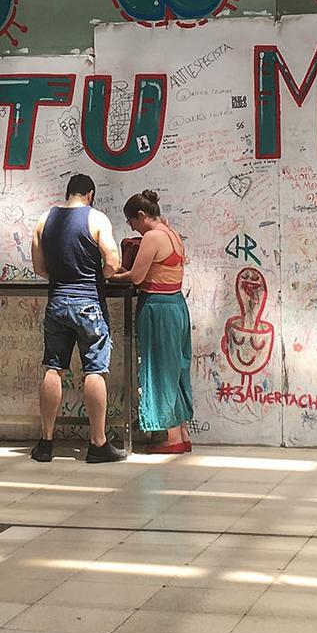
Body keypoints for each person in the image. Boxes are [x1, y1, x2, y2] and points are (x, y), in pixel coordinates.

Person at [30, 174, 126, 463]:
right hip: (89, 303)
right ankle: (97, 443)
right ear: (90, 194)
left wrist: (61, 279)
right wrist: (102, 276)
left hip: (57, 301)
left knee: (53, 367)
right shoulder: (96, 219)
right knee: (94, 369)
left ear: (68, 193)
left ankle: (46, 443)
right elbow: (112, 261)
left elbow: (38, 266)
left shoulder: (44, 219)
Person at [111, 190, 194, 454]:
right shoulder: (172, 234)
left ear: (142, 216)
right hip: (177, 305)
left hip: (158, 308)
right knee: (177, 368)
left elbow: (136, 277)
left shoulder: (153, 236)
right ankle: (181, 432)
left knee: (159, 369)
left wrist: (113, 275)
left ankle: (171, 438)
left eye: (131, 221)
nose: (132, 227)